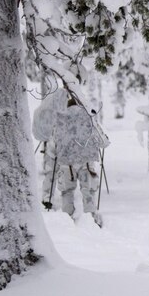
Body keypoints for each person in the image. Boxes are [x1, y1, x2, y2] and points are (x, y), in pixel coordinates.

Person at [52, 95, 108, 227]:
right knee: (88, 191)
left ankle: (67, 221)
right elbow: (102, 141)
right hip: (86, 162)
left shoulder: (61, 118)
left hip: (66, 162)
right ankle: (93, 221)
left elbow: (54, 139)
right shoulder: (89, 117)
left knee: (67, 192)